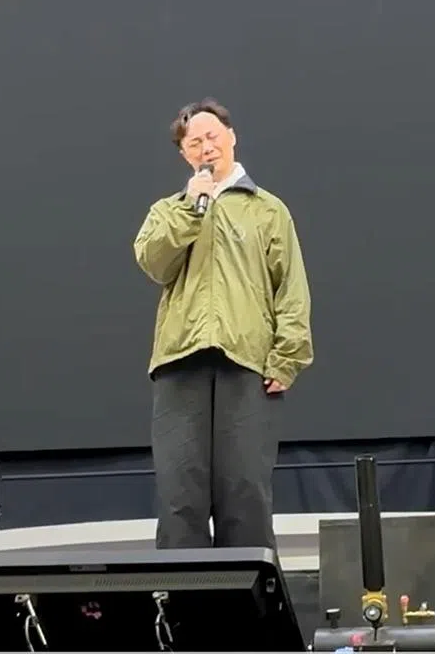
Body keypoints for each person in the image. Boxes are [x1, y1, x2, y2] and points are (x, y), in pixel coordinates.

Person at [133, 98, 313, 549]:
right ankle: (181, 614)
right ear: (184, 156)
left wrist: (286, 357)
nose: (206, 147)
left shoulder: (268, 209)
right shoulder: (168, 210)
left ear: (231, 137)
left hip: (246, 362)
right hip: (180, 362)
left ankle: (249, 616)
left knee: (245, 495)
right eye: (194, 142)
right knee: (180, 498)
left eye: (212, 136)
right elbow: (154, 262)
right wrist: (191, 209)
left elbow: (290, 287)